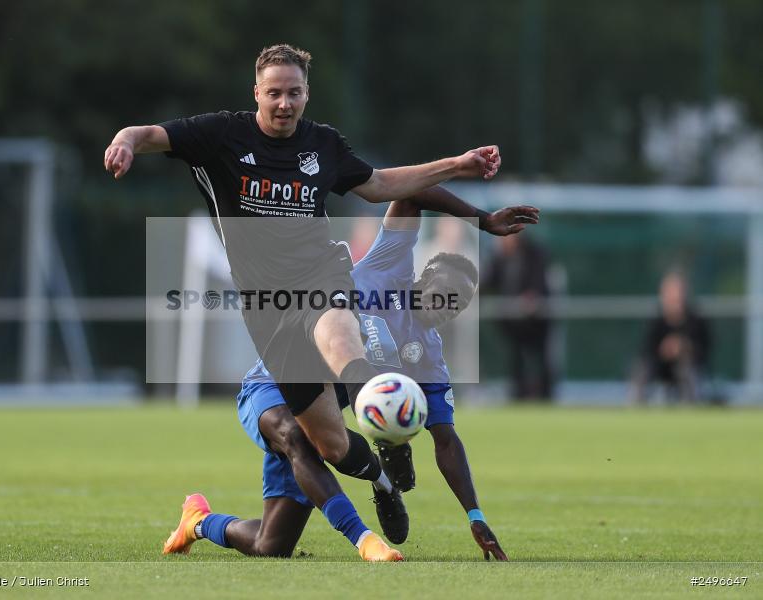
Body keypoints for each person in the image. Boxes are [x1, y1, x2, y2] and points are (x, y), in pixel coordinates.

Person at [105, 44, 501, 536]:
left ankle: (376, 410)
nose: (284, 103)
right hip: (270, 314)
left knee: (335, 324)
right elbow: (149, 134)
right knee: (318, 469)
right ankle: (371, 479)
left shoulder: (323, 145)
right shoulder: (220, 134)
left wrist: (458, 164)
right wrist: (125, 141)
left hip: (320, 277)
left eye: (294, 93)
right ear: (256, 92)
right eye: (274, 93)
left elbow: (380, 185)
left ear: (307, 94)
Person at [161, 186, 538, 560]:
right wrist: (481, 219)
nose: (450, 304)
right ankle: (368, 530)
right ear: (425, 278)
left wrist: (475, 515)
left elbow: (446, 441)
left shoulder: (428, 358)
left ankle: (197, 522)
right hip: (270, 383)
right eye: (448, 290)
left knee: (270, 545)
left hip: (321, 415)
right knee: (296, 435)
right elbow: (411, 193)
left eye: (460, 302)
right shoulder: (389, 266)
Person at [483, 233, 554, 400]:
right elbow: (489, 282)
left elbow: (540, 283)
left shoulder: (535, 253)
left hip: (537, 320)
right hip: (512, 322)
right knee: (516, 358)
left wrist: (532, 297)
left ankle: (546, 396)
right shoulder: (499, 257)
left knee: (541, 358)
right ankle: (518, 395)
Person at [631, 270, 711, 404]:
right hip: (660, 367)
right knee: (642, 369)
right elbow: (645, 350)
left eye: (678, 293)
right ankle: (637, 404)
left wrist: (684, 348)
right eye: (671, 293)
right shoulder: (655, 321)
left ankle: (690, 405)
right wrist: (663, 350)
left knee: (687, 369)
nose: (675, 298)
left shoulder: (696, 320)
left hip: (686, 368)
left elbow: (705, 349)